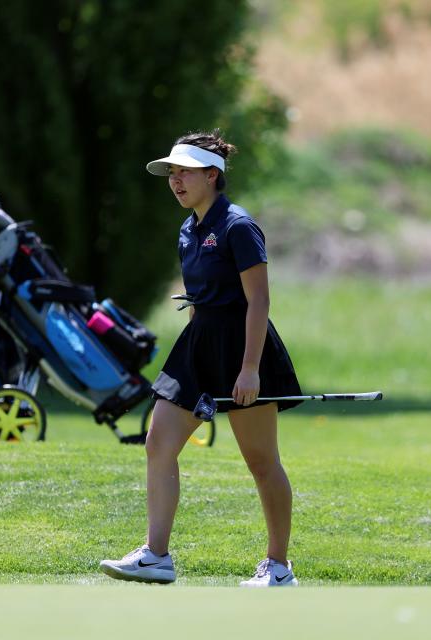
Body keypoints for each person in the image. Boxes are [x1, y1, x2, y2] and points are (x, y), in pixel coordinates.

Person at [99, 130, 302, 587]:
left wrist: (250, 368)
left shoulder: (239, 227)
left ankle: (279, 566)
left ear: (213, 174)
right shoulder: (189, 229)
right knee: (158, 442)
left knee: (261, 461)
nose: (176, 180)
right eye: (172, 173)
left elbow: (259, 302)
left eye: (184, 171)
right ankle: (156, 555)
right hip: (198, 344)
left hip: (242, 347)